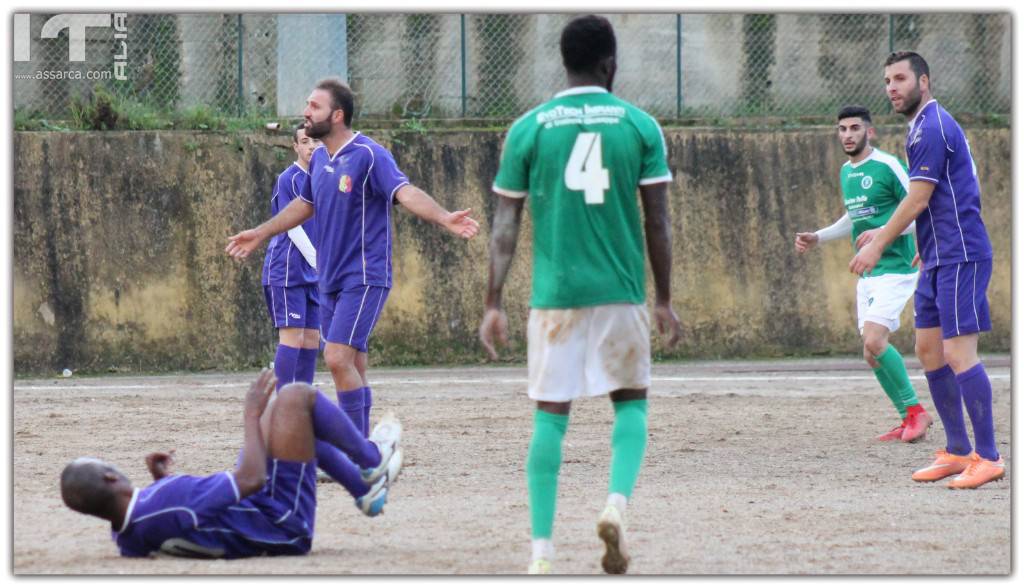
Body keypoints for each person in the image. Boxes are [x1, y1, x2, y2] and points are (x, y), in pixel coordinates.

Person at [478, 15, 682, 575]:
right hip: (620, 293)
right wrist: (662, 299)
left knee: (550, 416)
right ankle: (615, 504)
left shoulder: (530, 127)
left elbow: (504, 226)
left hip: (555, 297)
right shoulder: (640, 126)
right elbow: (658, 222)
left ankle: (541, 554)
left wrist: (493, 302)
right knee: (631, 401)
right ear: (610, 64)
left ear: (563, 63)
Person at [226, 78, 479, 442]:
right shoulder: (320, 162)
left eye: (314, 106)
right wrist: (261, 232)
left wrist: (443, 217)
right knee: (353, 362)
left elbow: (403, 191)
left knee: (336, 358)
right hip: (328, 279)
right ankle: (363, 450)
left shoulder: (369, 154)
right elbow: (304, 205)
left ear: (337, 114)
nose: (305, 111)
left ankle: (352, 450)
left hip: (363, 275)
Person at [850, 51, 1002, 489]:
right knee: (929, 350)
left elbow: (918, 198)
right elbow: (932, 197)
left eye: (900, 79)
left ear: (925, 81)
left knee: (958, 354)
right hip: (937, 254)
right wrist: (915, 236)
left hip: (961, 254)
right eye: (887, 81)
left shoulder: (933, 125)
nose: (892, 88)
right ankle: (956, 451)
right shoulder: (919, 127)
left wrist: (879, 243)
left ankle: (988, 456)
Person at [60, 369, 402, 558]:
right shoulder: (165, 504)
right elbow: (251, 478)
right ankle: (371, 461)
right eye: (107, 464)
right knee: (296, 398)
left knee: (281, 415)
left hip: (257, 510)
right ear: (109, 477)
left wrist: (161, 480)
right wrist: (250, 415)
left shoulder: (128, 531)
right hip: (282, 520)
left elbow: (182, 521)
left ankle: (364, 489)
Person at [795, 105, 932, 443]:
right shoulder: (846, 171)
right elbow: (853, 217)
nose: (848, 135)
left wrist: (884, 232)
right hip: (868, 272)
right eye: (842, 129)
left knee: (874, 340)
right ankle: (906, 416)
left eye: (855, 128)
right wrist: (819, 236)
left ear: (869, 132)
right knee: (870, 353)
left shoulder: (888, 166)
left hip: (896, 268)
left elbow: (918, 209)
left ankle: (918, 413)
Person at [262, 124, 321, 392]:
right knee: (292, 337)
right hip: (287, 271)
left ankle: (302, 401)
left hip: (314, 272)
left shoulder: (325, 178)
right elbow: (291, 225)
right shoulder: (288, 179)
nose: (311, 146)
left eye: (316, 142)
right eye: (305, 141)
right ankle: (282, 402)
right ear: (295, 146)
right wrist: (318, 260)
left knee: (311, 339)